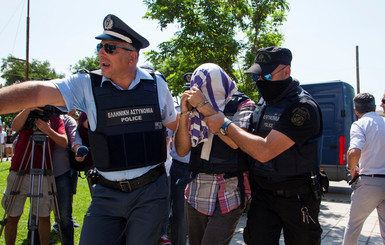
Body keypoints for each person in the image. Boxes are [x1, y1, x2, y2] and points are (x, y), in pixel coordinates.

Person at [0, 14, 178, 245]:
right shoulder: (86, 84)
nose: (100, 53)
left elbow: (173, 123)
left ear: (132, 56)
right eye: (99, 47)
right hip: (106, 194)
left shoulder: (156, 84)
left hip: (150, 193)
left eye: (109, 48)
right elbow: (36, 92)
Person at [203, 47, 323, 245]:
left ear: (286, 72)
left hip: (297, 197)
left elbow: (264, 151)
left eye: (266, 75)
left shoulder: (302, 107)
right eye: (256, 76)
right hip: (263, 196)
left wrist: (224, 124)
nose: (260, 82)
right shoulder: (265, 102)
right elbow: (246, 141)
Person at [175, 63, 255, 245]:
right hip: (196, 190)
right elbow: (182, 150)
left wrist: (204, 106)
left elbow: (236, 142)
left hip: (229, 189)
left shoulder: (242, 104)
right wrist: (185, 113)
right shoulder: (193, 109)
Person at [1, 107, 67, 245]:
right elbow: (14, 126)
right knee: (12, 216)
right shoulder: (27, 112)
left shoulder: (54, 118)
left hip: (43, 173)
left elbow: (64, 142)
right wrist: (28, 108)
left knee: (44, 216)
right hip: (19, 169)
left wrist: (48, 130)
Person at [342, 93, 385, 244]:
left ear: (356, 110)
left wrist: (351, 168)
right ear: (374, 106)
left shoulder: (360, 124)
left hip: (369, 182)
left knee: (354, 226)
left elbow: (354, 152)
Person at [51, 114, 85, 245]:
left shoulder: (66, 120)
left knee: (65, 214)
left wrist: (78, 150)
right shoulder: (36, 117)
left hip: (61, 172)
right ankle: (36, 239)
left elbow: (74, 139)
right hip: (40, 172)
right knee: (38, 213)